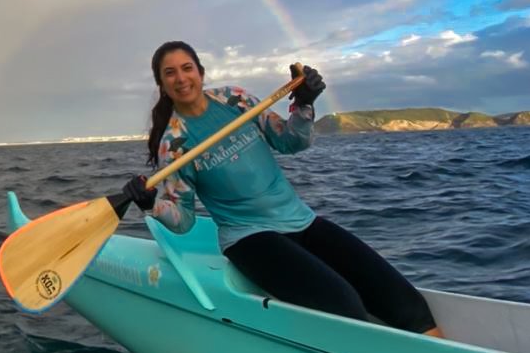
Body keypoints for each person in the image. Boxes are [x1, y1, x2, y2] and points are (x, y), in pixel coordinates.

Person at [122, 40, 442, 337]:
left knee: (406, 303)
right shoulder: (174, 144)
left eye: (187, 68)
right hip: (249, 238)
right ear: (161, 84)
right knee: (344, 305)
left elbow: (291, 141)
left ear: (201, 72)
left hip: (300, 220)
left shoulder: (236, 100)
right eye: (170, 73)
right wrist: (153, 205)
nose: (181, 78)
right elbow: (184, 220)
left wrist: (304, 104)